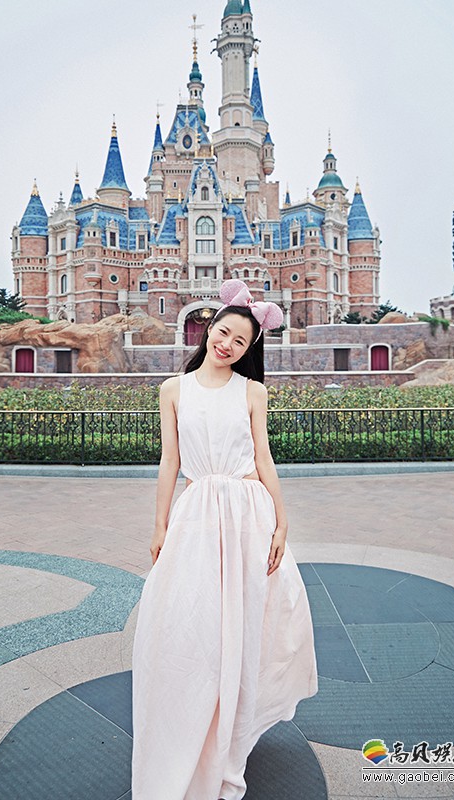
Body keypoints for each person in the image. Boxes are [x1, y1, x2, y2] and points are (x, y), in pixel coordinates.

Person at [131, 279, 318, 800]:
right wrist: (159, 524)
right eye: (223, 333)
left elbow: (264, 458)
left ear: (249, 348)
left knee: (247, 625)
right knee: (189, 626)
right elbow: (169, 461)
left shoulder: (252, 391)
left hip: (249, 515)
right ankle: (189, 735)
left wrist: (282, 521)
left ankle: (231, 734)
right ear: (208, 328)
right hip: (196, 515)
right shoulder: (174, 389)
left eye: (240, 341)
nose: (227, 344)